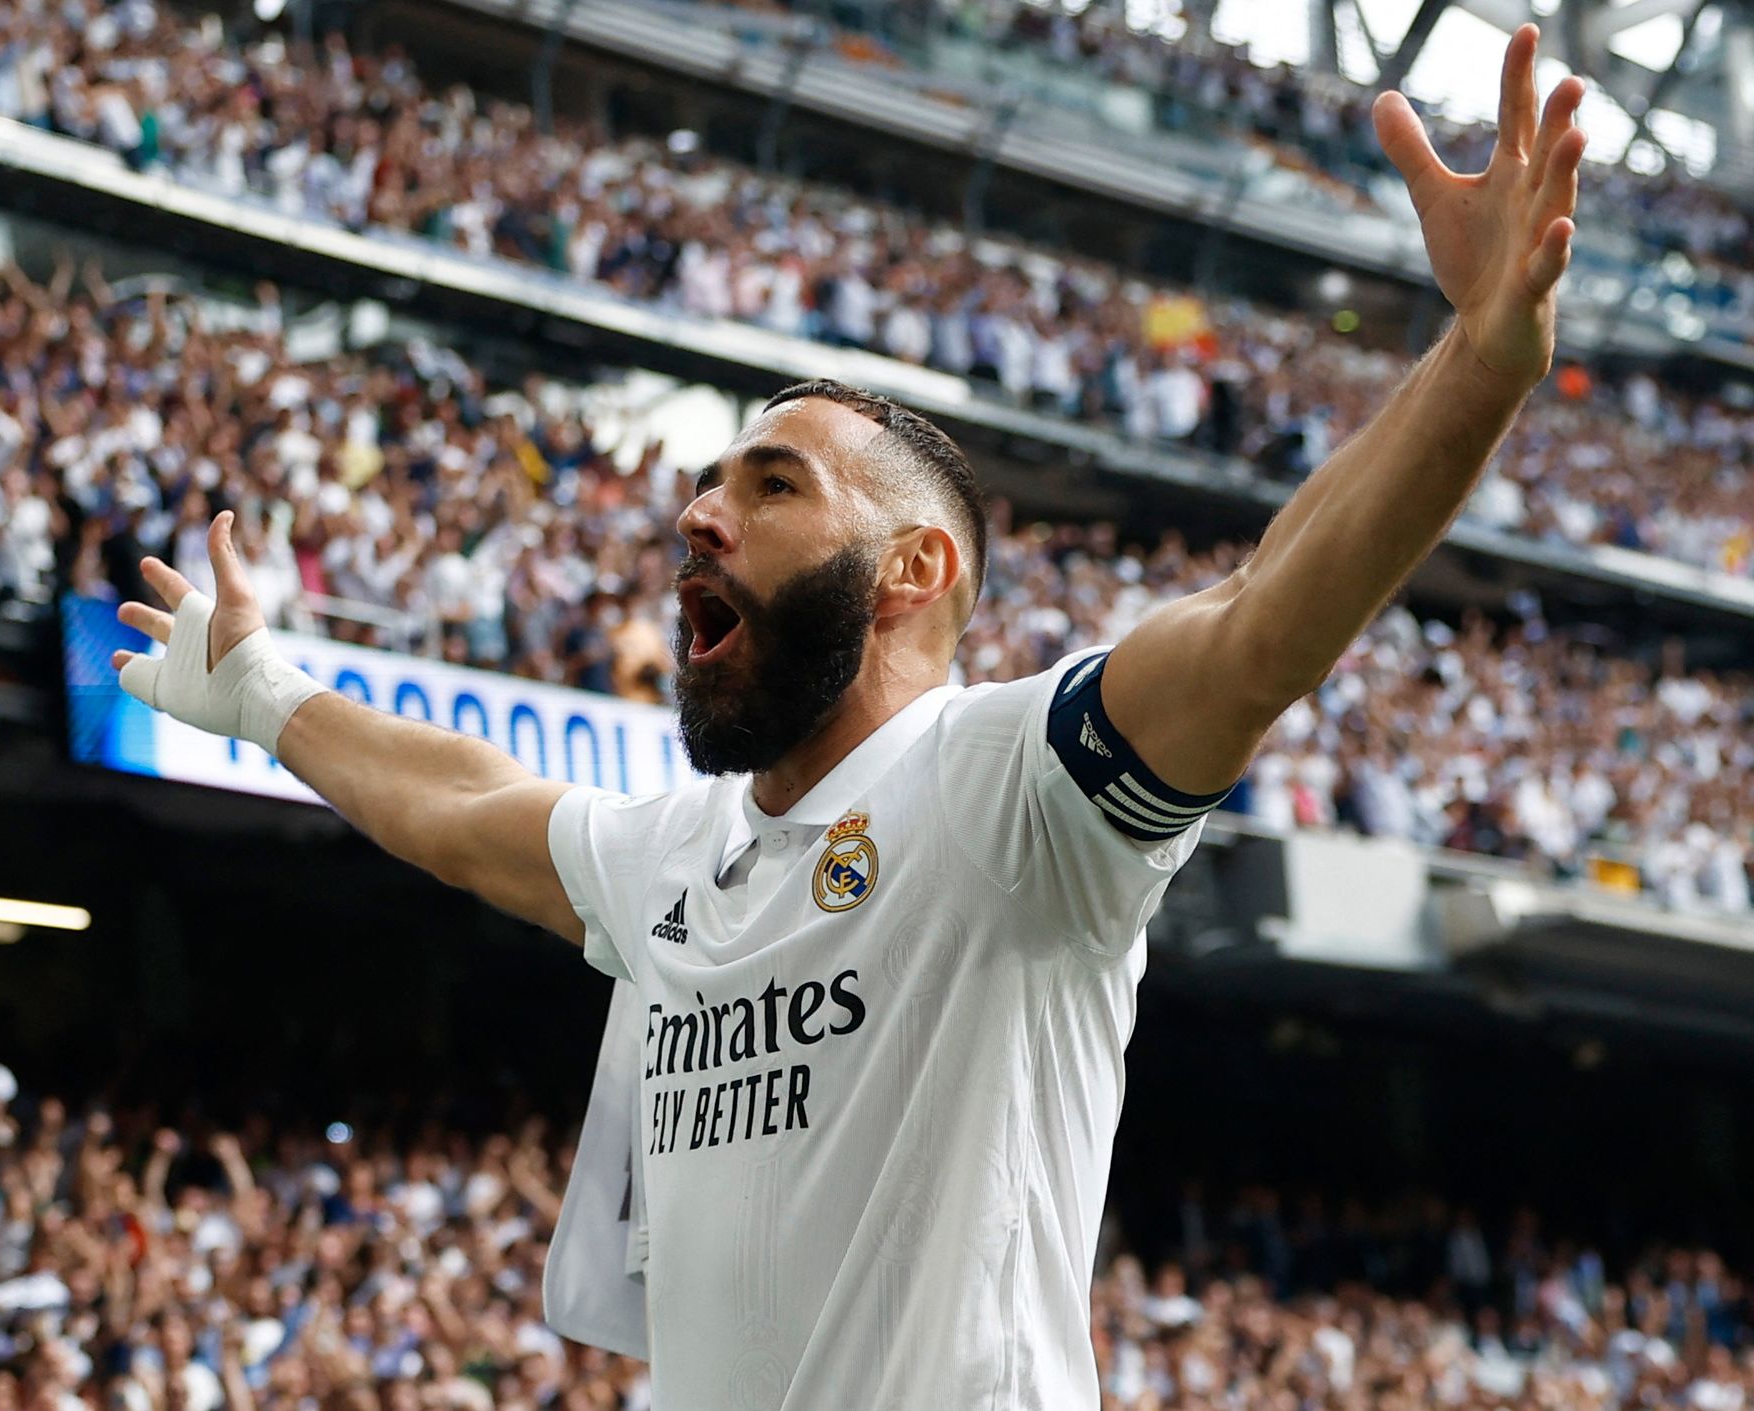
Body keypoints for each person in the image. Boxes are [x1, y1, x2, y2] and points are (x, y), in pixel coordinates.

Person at [111, 29, 1586, 1409]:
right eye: (707, 482)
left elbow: (1264, 626)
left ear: (913, 570)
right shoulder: (678, 855)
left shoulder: (1016, 790)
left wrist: (1478, 358)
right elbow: (459, 808)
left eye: (769, 487)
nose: (697, 513)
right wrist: (261, 691)